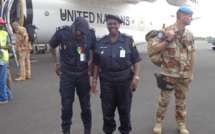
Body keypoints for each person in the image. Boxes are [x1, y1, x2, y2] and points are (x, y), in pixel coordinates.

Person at [90, 14, 141, 134]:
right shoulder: (101, 42)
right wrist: (94, 80)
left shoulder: (128, 41)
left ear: (119, 25)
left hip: (125, 79)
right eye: (110, 24)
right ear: (107, 25)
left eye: (115, 24)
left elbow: (136, 60)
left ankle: (125, 131)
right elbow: (96, 63)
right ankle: (108, 131)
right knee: (107, 111)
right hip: (106, 80)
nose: (112, 26)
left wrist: (136, 77)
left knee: (125, 110)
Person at [151, 6, 196, 134]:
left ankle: (181, 125)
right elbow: (155, 49)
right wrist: (167, 40)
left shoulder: (190, 34)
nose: (191, 18)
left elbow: (193, 53)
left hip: (184, 74)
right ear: (182, 16)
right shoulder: (165, 31)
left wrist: (191, 73)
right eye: (189, 16)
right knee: (164, 100)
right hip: (168, 73)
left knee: (181, 101)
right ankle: (158, 124)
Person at [49, 16, 96, 134]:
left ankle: (87, 130)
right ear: (73, 27)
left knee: (86, 106)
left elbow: (94, 49)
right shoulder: (62, 33)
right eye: (78, 34)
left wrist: (91, 63)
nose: (80, 37)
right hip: (67, 75)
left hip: (83, 74)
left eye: (83, 35)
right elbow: (51, 46)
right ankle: (66, 131)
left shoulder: (90, 34)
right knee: (66, 106)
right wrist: (56, 62)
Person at [0, 17, 13, 104]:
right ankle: (8, 94)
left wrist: (2, 47)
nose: (2, 25)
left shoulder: (5, 33)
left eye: (2, 23)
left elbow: (9, 46)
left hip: (3, 60)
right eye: (1, 23)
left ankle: (4, 98)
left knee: (1, 80)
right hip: (2, 60)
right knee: (1, 80)